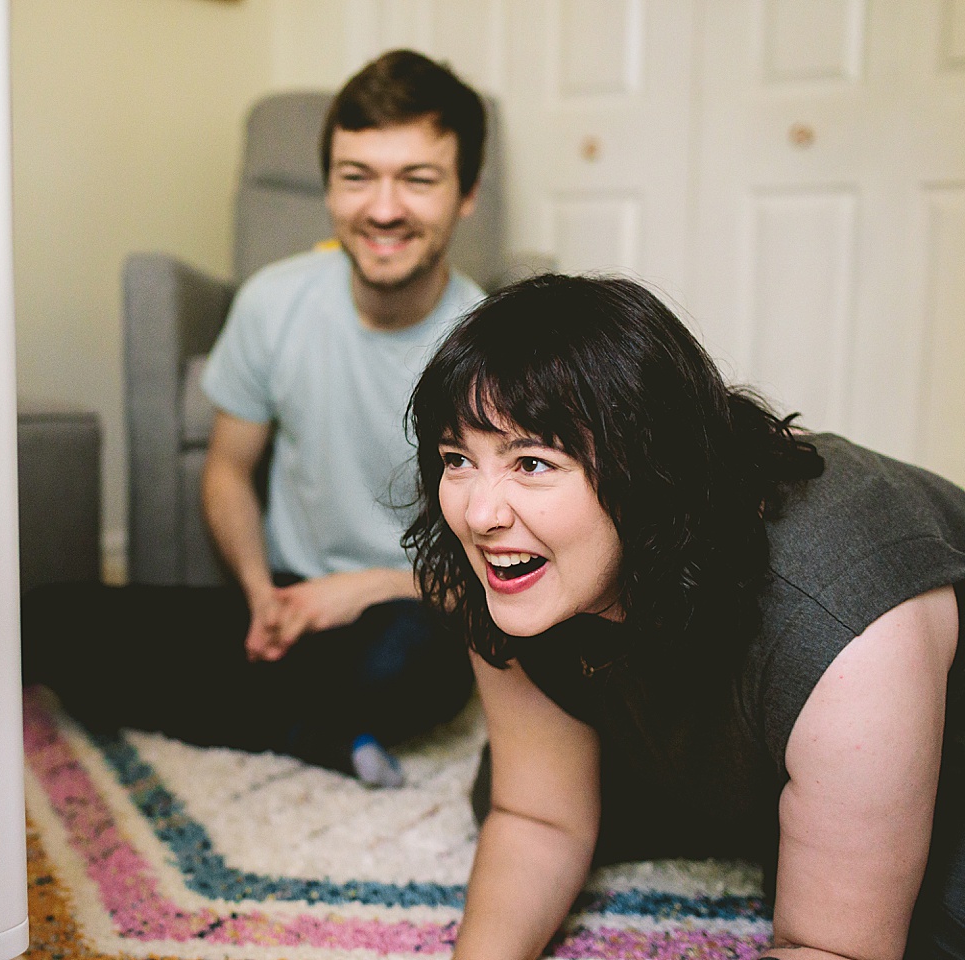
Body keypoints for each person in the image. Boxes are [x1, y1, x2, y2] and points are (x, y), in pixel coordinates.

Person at [405, 273, 964, 959]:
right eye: (458, 459)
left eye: (532, 463)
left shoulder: (844, 620)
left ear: (649, 469)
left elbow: (834, 947)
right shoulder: (514, 566)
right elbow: (538, 816)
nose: (481, 514)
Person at [24, 49, 485, 785]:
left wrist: (364, 588)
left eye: (418, 180)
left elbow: (502, 563)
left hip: (408, 611)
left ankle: (292, 716)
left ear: (466, 194)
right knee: (48, 623)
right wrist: (260, 594)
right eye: (356, 176)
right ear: (329, 186)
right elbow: (228, 471)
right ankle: (318, 726)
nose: (384, 208)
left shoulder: (494, 347)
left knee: (420, 662)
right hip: (284, 595)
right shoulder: (274, 300)